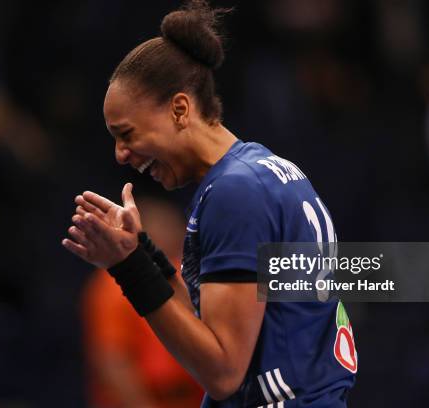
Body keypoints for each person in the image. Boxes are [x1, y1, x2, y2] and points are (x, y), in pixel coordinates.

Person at [63, 1, 356, 406]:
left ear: (180, 109)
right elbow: (208, 324)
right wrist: (141, 253)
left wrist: (128, 269)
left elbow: (223, 371)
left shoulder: (235, 193)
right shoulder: (263, 171)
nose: (120, 155)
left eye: (126, 134)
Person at [82, 197, 202, 408]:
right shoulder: (113, 284)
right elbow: (113, 360)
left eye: (174, 226)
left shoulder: (185, 272)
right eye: (163, 226)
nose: (175, 233)